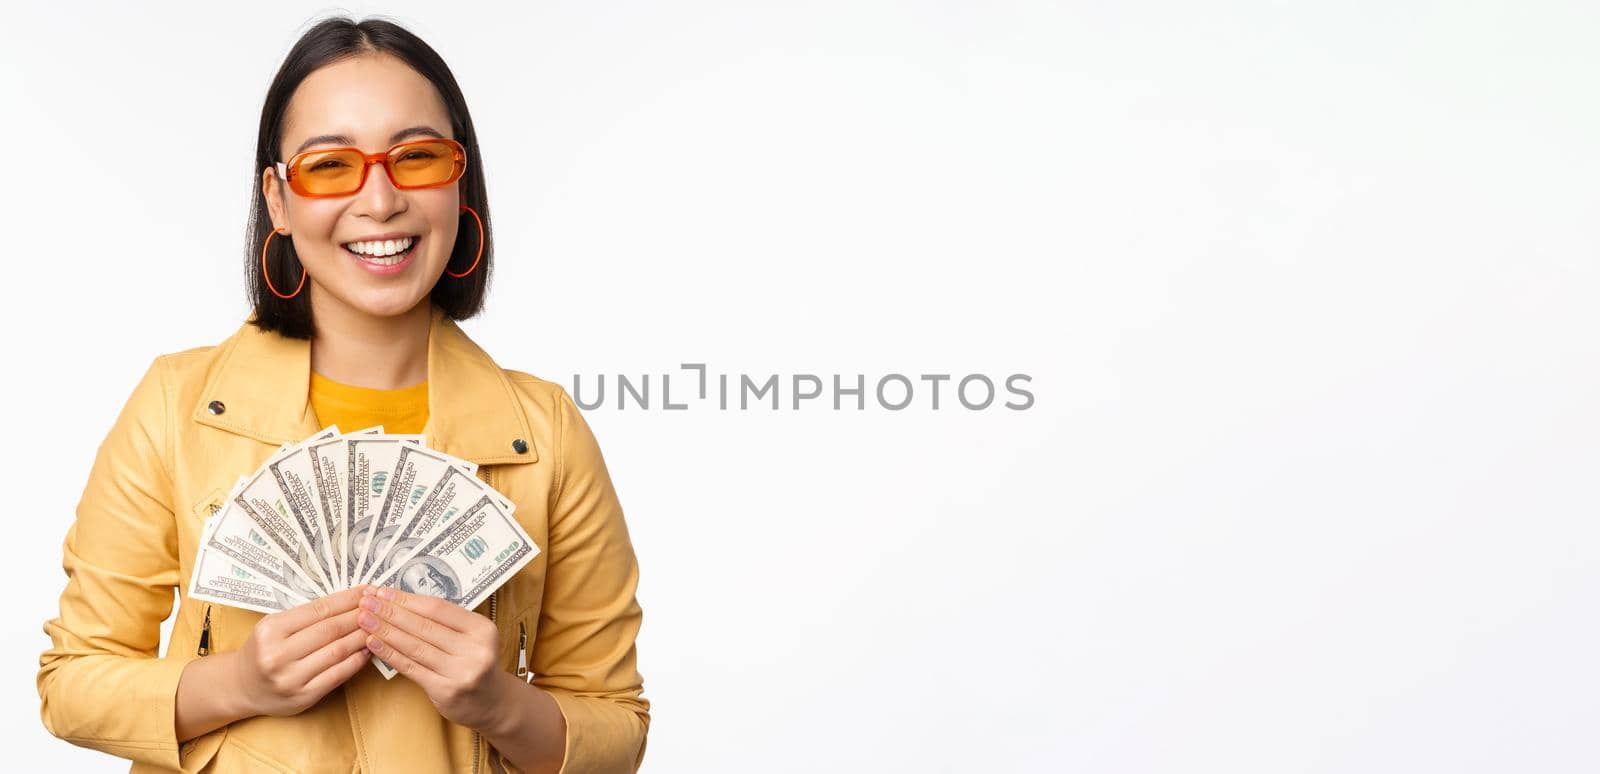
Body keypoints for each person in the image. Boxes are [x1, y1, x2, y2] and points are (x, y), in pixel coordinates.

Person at [36, 15, 649, 773]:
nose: (382, 200)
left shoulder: (545, 433)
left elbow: (617, 729)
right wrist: (241, 682)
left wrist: (497, 702)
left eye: (417, 157)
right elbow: (71, 684)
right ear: (281, 201)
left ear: (461, 183)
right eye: (331, 166)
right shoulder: (176, 404)